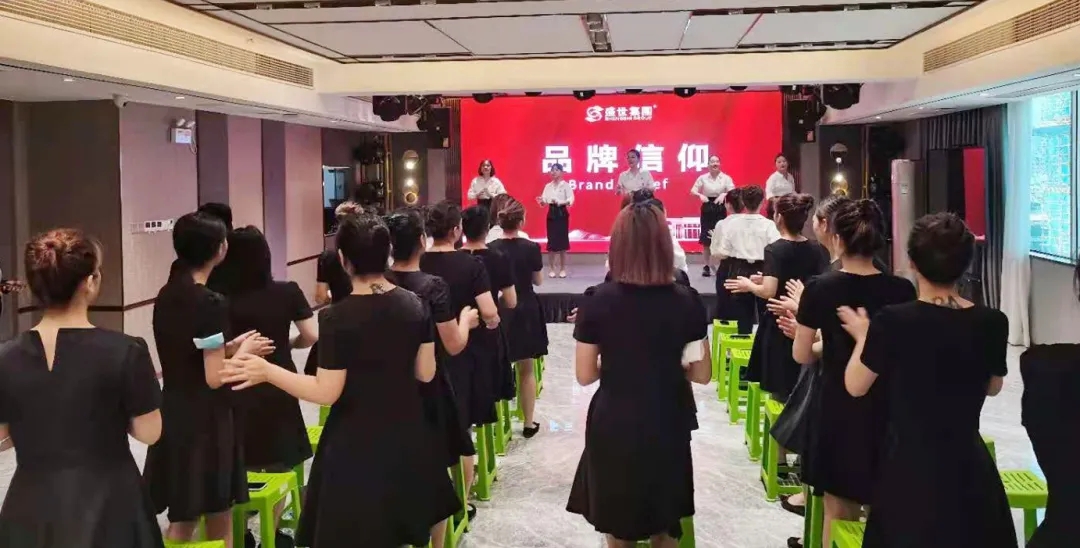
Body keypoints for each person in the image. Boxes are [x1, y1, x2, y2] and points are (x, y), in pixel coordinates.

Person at [221, 213, 460, 548]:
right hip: (408, 430)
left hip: (354, 439)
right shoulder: (416, 306)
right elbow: (426, 372)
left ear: (344, 260)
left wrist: (267, 371)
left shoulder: (337, 317)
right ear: (387, 253)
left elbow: (326, 392)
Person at [835, 212, 1014, 547]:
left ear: (912, 262)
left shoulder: (893, 321)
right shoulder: (993, 321)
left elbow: (855, 386)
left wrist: (863, 337)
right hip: (969, 467)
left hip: (908, 469)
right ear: (966, 263)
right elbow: (993, 386)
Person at [0, 229, 165, 548]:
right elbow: (149, 433)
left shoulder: (5, 357)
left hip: (30, 506)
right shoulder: (126, 350)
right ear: (90, 282)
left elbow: (1, 437)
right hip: (110, 505)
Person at [567, 202, 711, 548]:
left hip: (615, 418)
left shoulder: (597, 300)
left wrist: (622, 363)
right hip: (669, 415)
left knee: (619, 525)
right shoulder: (687, 300)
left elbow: (585, 375)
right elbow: (703, 374)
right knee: (665, 521)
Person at [792, 199, 917, 548]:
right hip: (888, 409)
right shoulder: (902, 290)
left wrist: (826, 345)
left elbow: (801, 354)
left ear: (836, 238)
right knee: (885, 510)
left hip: (837, 406)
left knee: (838, 512)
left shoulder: (820, 288)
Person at [146, 212, 270, 548]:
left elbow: (190, 351)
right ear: (220, 249)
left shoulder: (166, 294)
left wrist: (227, 347)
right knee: (213, 514)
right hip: (207, 420)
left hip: (173, 409)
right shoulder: (210, 302)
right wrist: (245, 350)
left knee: (186, 512)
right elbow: (215, 378)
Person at [212, 226, 318, 548]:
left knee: (239, 465)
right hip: (277, 384)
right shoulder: (287, 292)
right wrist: (289, 344)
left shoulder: (217, 298)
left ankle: (241, 533)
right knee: (280, 465)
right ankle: (270, 533)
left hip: (234, 384)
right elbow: (312, 335)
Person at [385, 208, 481, 547]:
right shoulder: (432, 287)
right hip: (429, 386)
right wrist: (466, 322)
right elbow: (453, 345)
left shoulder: (379, 284)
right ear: (421, 241)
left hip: (387, 388)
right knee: (436, 467)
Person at [421, 200, 502, 518]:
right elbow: (490, 312)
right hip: (461, 355)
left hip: (419, 356)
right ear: (456, 231)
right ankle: (461, 502)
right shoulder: (471, 266)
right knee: (460, 428)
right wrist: (484, 321)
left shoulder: (416, 263)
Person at [727, 194, 826, 403]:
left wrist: (749, 285)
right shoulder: (817, 249)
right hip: (805, 320)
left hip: (779, 322)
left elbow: (768, 291)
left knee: (779, 389)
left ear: (778, 217)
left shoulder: (775, 249)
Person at [488, 197, 548, 438]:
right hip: (526, 309)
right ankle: (528, 423)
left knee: (499, 366)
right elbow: (538, 281)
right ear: (522, 221)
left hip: (500, 308)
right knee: (526, 369)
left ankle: (495, 424)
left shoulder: (491, 248)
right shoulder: (531, 247)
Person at [461, 205, 519, 407]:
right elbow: (511, 301)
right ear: (487, 228)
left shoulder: (456, 258)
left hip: (458, 329)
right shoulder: (498, 257)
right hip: (488, 331)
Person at [306, 201, 362, 375]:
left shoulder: (327, 257)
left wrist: (335, 294)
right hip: (365, 318)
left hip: (338, 319)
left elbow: (320, 297)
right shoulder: (369, 251)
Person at [713, 186, 778, 333]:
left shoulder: (732, 224)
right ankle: (763, 345)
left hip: (738, 268)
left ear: (743, 201)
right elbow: (776, 249)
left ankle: (742, 343)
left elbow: (723, 251)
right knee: (765, 313)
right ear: (762, 202)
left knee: (741, 316)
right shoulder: (769, 225)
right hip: (763, 270)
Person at [691, 155, 735, 277]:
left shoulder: (726, 178)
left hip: (720, 207)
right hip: (707, 207)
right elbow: (693, 190)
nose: (715, 163)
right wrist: (700, 195)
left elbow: (733, 190)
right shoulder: (703, 178)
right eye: (712, 162)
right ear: (708, 165)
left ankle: (722, 265)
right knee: (706, 239)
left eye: (717, 161)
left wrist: (724, 194)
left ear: (720, 164)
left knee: (721, 237)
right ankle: (706, 266)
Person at [538, 163, 575, 278]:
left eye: (556, 170)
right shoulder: (548, 186)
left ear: (562, 172)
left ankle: (563, 269)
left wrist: (561, 202)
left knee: (563, 241)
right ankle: (552, 268)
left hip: (562, 213)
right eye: (552, 170)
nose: (553, 172)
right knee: (552, 241)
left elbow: (571, 199)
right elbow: (544, 200)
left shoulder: (566, 186)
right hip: (552, 213)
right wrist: (541, 201)